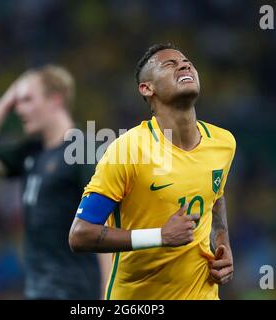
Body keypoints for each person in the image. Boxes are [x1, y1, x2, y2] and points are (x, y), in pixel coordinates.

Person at [69, 44, 236, 300]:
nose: (184, 65)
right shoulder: (127, 150)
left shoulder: (223, 143)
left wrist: (222, 243)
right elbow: (80, 235)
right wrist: (159, 236)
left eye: (187, 61)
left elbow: (216, 195)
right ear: (147, 88)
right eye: (169, 64)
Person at [0, 65, 108, 299]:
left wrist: (110, 294)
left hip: (74, 291)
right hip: (38, 290)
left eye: (26, 99)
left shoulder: (83, 150)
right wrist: (6, 101)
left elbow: (103, 225)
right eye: (17, 102)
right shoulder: (31, 153)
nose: (19, 108)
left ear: (55, 100)